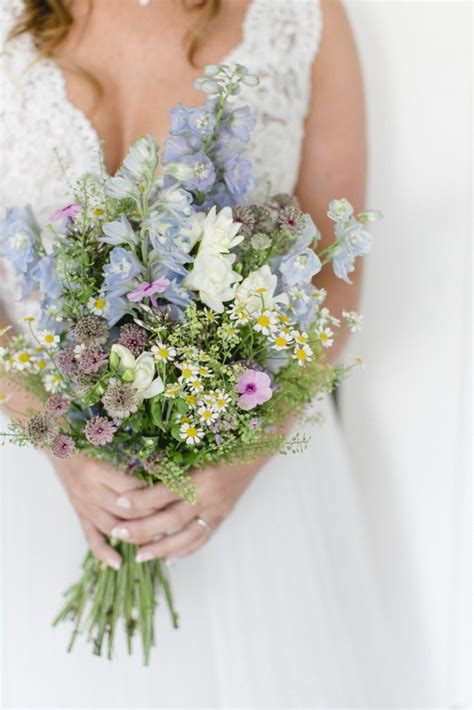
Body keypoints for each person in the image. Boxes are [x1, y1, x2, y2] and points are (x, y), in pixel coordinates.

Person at [0, 1, 385, 706]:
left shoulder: (302, 18)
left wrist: (244, 455)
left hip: (254, 469)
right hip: (30, 468)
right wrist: (57, 436)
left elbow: (336, 270)